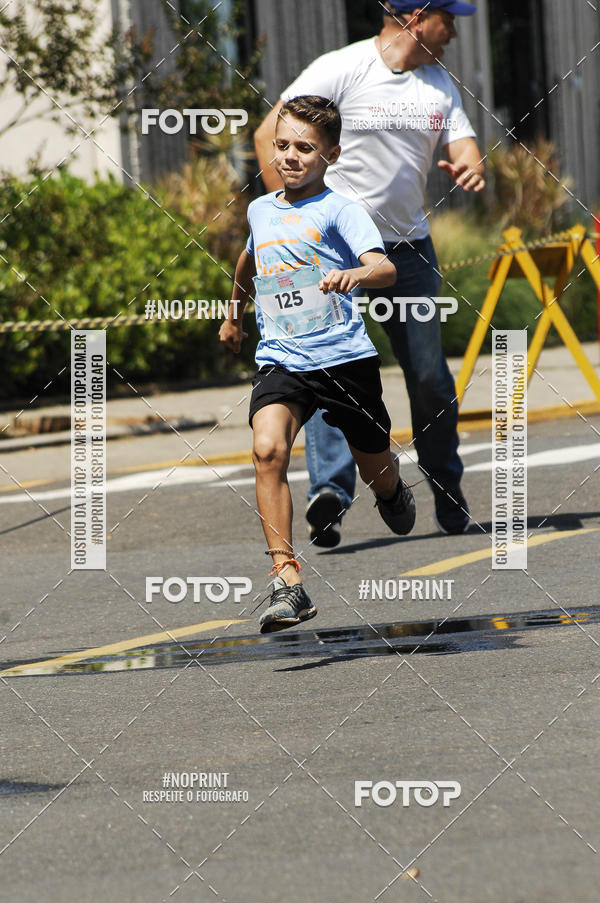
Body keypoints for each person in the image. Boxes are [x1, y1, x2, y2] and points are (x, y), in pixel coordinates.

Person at [254, 0, 486, 547]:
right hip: (330, 252)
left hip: (407, 252)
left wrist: (471, 165)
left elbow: (466, 145)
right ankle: (329, 495)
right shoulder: (343, 67)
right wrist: (289, 220)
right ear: (415, 17)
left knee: (428, 374)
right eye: (447, 18)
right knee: (322, 363)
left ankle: (445, 485)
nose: (452, 31)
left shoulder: (438, 85)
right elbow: (270, 131)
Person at [219, 95, 416, 633]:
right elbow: (248, 258)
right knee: (266, 450)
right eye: (282, 145)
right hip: (282, 360)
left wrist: (357, 274)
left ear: (331, 153)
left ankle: (390, 491)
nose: (289, 156)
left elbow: (384, 267)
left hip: (344, 360)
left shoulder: (340, 210)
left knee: (373, 461)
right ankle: (287, 581)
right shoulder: (261, 209)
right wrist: (233, 315)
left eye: (304, 148)